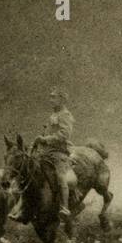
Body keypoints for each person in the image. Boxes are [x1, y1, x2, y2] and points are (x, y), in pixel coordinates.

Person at [29, 87, 76, 222]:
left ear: (62, 99)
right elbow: (46, 133)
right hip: (45, 152)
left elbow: (64, 134)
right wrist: (38, 142)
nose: (51, 100)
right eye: (50, 97)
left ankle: (65, 207)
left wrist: (45, 140)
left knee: (61, 177)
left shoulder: (65, 115)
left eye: (53, 97)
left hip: (59, 152)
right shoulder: (53, 115)